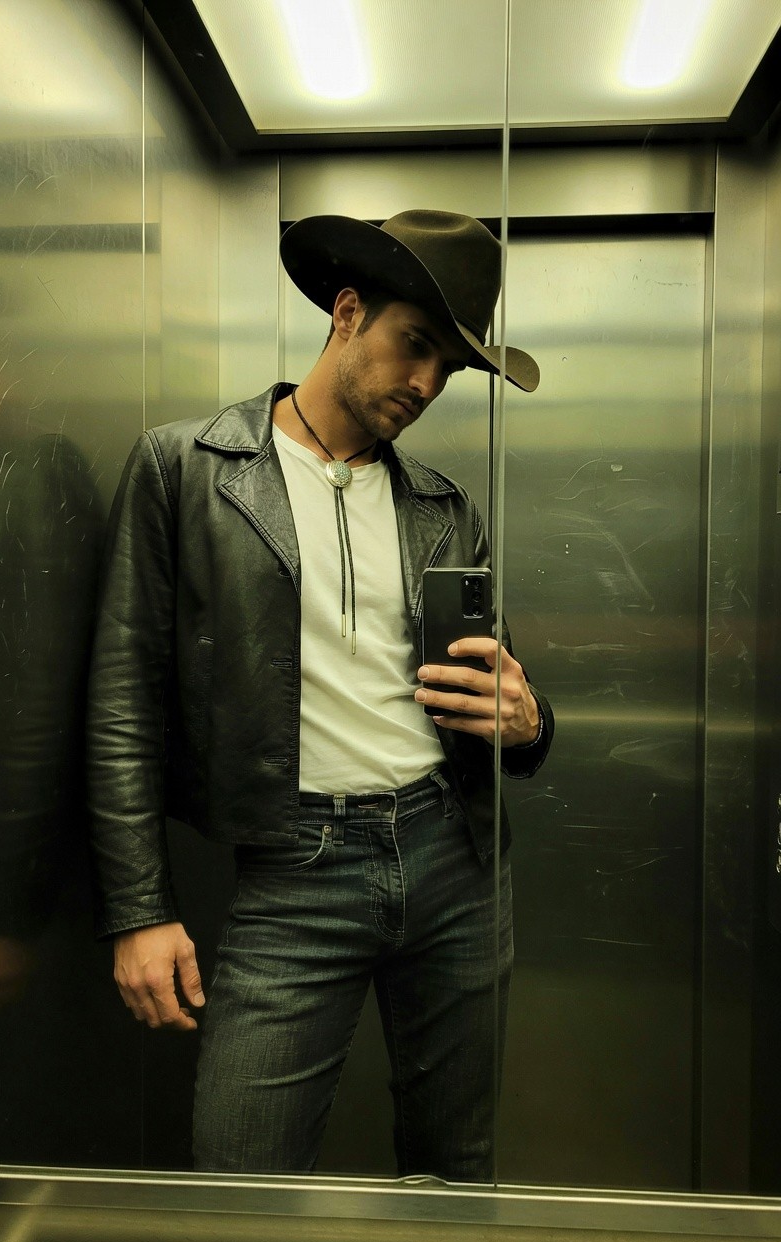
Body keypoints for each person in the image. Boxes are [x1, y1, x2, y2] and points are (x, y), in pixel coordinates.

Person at [87, 209, 554, 1181]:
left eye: (446, 368)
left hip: (455, 858)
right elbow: (121, 703)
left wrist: (530, 723)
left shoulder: (442, 506)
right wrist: (138, 909)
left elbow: (500, 692)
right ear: (346, 314)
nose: (425, 383)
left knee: (456, 1168)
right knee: (241, 1172)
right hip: (296, 869)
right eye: (413, 345)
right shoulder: (186, 469)